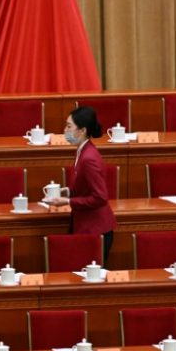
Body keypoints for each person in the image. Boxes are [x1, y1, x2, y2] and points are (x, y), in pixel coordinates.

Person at [49, 106, 116, 262]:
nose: (65, 130)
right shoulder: (82, 151)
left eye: (69, 126)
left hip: (96, 231)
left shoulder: (89, 158)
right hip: (85, 226)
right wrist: (66, 191)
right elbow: (83, 187)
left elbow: (100, 197)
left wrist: (67, 201)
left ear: (82, 130)